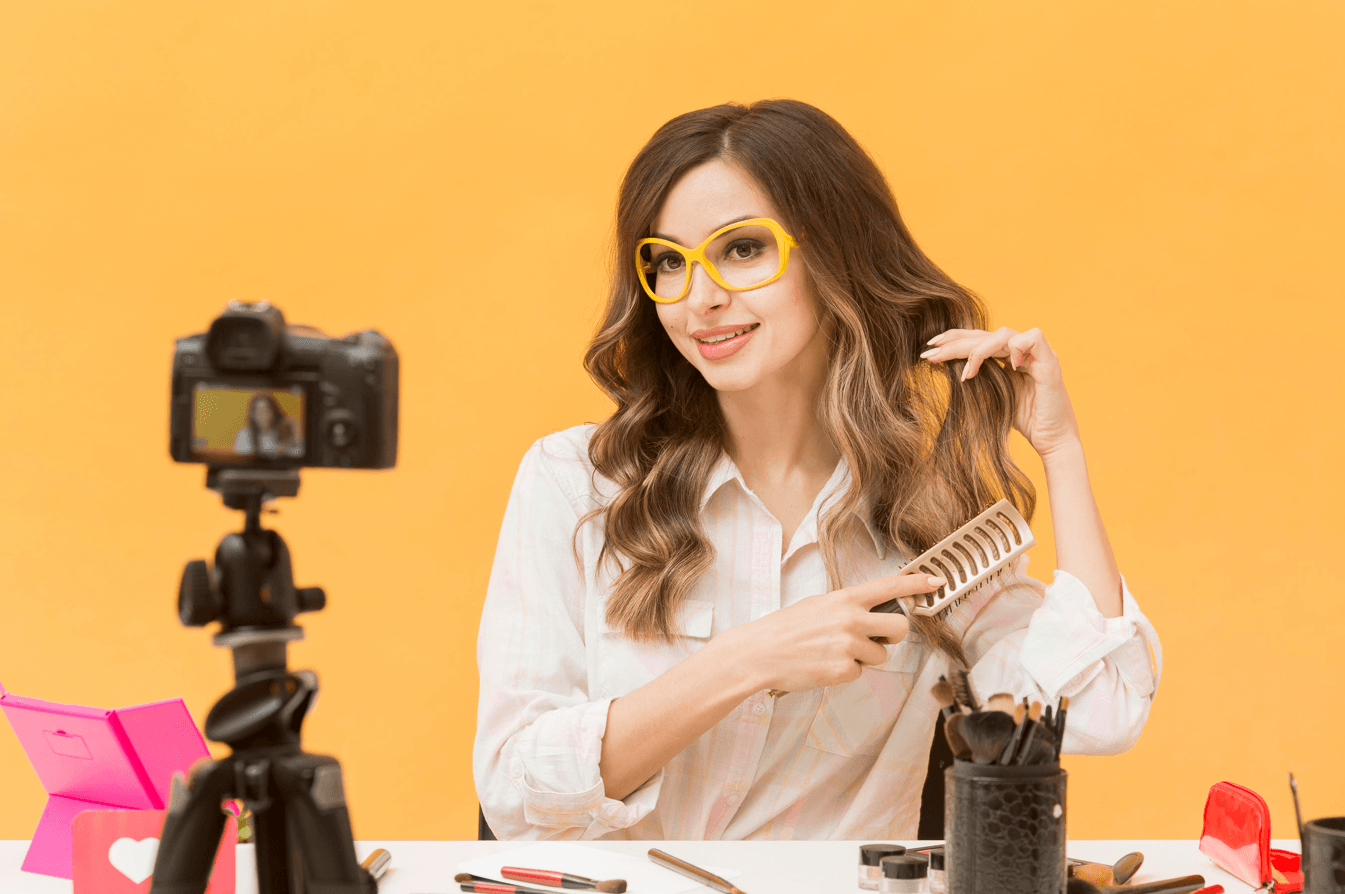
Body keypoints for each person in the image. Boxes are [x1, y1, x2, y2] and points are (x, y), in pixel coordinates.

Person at [473, 99, 1161, 840]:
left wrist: (1060, 451)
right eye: (668, 262)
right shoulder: (577, 484)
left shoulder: (928, 517)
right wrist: (745, 661)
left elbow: (1102, 708)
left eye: (741, 250)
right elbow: (512, 790)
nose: (699, 298)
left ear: (834, 255)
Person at [232, 392, 302, 460]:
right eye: (259, 411)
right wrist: (275, 450)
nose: (263, 415)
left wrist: (296, 430)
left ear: (274, 412)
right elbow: (242, 458)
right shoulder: (244, 434)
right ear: (252, 415)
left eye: (267, 410)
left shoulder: (283, 432)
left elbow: (299, 454)